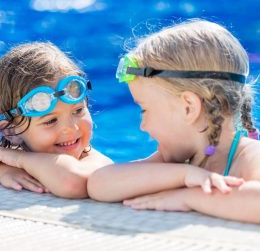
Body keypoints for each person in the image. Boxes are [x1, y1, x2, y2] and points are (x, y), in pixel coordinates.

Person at [87, 20, 260, 223]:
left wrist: (189, 197)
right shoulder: (182, 162)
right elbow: (99, 184)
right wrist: (183, 175)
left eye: (145, 109)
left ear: (189, 108)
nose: (142, 126)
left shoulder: (248, 156)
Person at [0, 42, 113, 198]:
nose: (71, 128)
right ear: (11, 131)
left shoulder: (96, 163)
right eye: (51, 121)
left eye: (78, 110)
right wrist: (1, 170)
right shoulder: (9, 156)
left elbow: (72, 183)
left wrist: (19, 160)